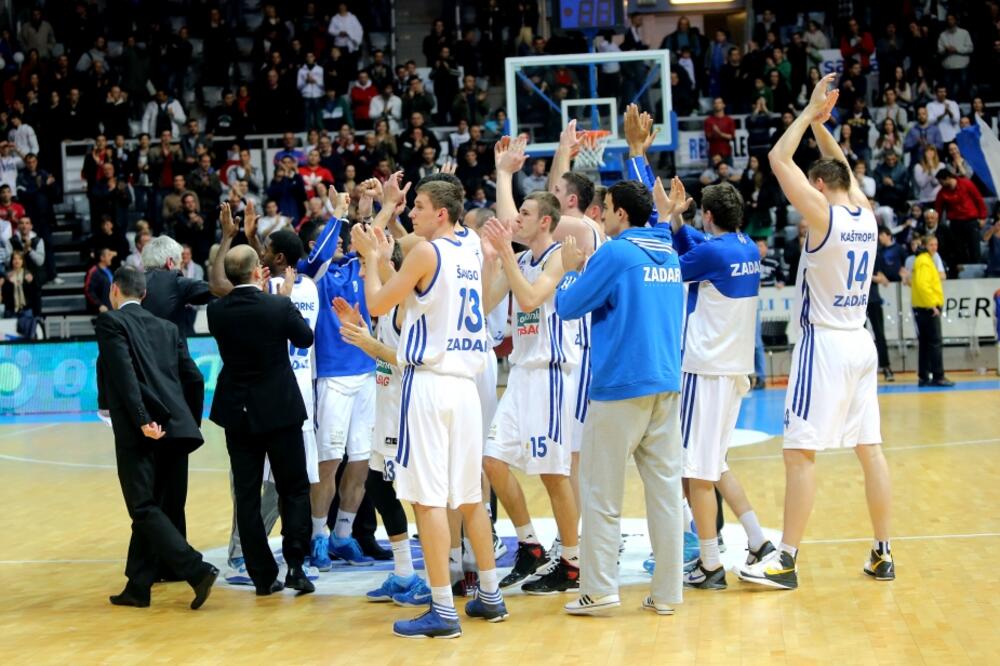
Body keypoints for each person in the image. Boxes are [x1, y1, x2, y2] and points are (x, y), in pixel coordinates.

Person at [737, 74, 894, 590]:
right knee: (870, 450)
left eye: (814, 184)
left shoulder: (823, 213)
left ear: (819, 186)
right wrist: (827, 130)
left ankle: (785, 559)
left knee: (798, 452)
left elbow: (779, 161)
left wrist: (806, 115)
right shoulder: (866, 213)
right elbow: (844, 169)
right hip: (860, 341)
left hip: (824, 343)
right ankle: (883, 552)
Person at [350, 178, 508, 638]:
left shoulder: (426, 252)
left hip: (430, 384)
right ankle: (491, 596)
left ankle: (443, 609)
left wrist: (370, 259)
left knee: (428, 500)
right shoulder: (472, 245)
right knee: (470, 497)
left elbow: (378, 301)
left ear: (441, 213)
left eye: (418, 207)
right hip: (466, 385)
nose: (412, 214)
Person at [651, 176, 775, 591]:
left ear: (708, 215)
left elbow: (666, 268)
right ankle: (758, 540)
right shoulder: (744, 248)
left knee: (697, 474)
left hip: (706, 371)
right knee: (716, 465)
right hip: (734, 370)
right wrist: (678, 222)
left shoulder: (714, 253)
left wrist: (666, 219)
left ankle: (709, 564)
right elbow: (699, 250)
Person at [478, 157, 581, 594]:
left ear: (545, 223)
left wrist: (505, 255)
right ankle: (529, 545)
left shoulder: (560, 257)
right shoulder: (522, 258)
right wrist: (491, 259)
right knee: (491, 460)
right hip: (522, 373)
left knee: (554, 474)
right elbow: (484, 304)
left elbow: (531, 297)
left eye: (523, 214)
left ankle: (573, 563)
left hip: (554, 374)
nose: (515, 219)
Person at [95, 266, 218, 609]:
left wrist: (143, 420)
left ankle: (196, 569)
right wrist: (187, 422)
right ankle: (138, 586)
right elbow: (193, 378)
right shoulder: (167, 327)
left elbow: (124, 375)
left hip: (144, 431)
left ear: (114, 291)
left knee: (143, 506)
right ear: (145, 294)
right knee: (155, 506)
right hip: (177, 429)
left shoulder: (111, 323)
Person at [207, 244, 316, 597]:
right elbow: (305, 337)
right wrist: (286, 297)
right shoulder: (278, 305)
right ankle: (297, 566)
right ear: (258, 271)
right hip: (280, 409)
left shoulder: (216, 311)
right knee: (294, 488)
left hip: (238, 412)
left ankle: (262, 575)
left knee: (247, 495)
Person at [911, 237, 954, 387]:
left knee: (925, 344)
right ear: (924, 245)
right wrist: (932, 305)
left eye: (936, 244)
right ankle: (938, 375)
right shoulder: (924, 261)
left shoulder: (924, 259)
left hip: (921, 308)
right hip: (927, 309)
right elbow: (923, 285)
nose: (934, 247)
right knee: (935, 343)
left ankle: (924, 376)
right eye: (931, 244)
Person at [934, 169, 987, 274]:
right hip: (955, 222)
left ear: (948, 178)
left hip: (970, 220)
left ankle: (977, 271)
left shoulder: (966, 184)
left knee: (974, 247)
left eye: (941, 181)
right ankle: (963, 272)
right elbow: (938, 209)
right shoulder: (942, 192)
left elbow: (978, 199)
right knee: (959, 250)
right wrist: (936, 224)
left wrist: (982, 217)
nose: (940, 184)